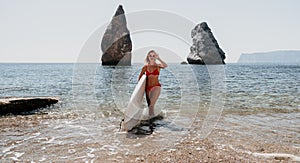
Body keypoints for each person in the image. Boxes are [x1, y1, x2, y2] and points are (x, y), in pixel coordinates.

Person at [138, 50, 168, 118]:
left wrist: (159, 58)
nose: (152, 57)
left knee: (151, 105)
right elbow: (140, 79)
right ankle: (152, 119)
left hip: (156, 87)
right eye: (150, 55)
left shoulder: (157, 66)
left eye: (153, 56)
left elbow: (165, 66)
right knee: (150, 106)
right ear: (148, 57)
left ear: (155, 57)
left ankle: (151, 121)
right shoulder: (145, 67)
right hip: (147, 88)